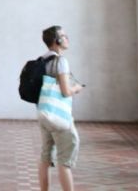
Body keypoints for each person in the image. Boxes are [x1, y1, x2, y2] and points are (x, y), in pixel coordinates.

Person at [36, 25, 83, 191]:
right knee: (65, 160)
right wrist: (76, 88)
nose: (67, 38)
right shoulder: (61, 61)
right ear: (57, 40)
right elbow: (65, 91)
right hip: (59, 116)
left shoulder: (42, 60)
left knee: (45, 157)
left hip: (44, 113)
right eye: (64, 36)